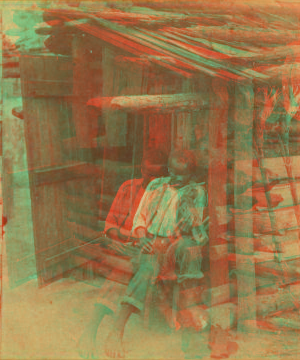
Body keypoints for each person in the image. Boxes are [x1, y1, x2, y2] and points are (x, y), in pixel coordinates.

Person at [104, 150, 208, 358]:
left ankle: (190, 328)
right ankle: (116, 331)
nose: (178, 178)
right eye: (174, 172)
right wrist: (142, 238)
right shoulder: (155, 186)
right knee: (147, 268)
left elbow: (191, 228)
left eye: (184, 174)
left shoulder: (196, 192)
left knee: (187, 253)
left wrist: (169, 245)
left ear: (191, 173)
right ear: (169, 169)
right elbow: (140, 220)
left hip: (177, 245)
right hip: (150, 242)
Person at [77, 149, 168, 359]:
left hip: (147, 251)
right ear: (141, 170)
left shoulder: (166, 195)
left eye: (158, 175)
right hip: (123, 246)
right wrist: (122, 238)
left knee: (131, 268)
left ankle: (105, 330)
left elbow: (162, 235)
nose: (152, 179)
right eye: (148, 174)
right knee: (125, 266)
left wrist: (143, 242)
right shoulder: (128, 188)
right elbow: (109, 226)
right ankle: (100, 332)